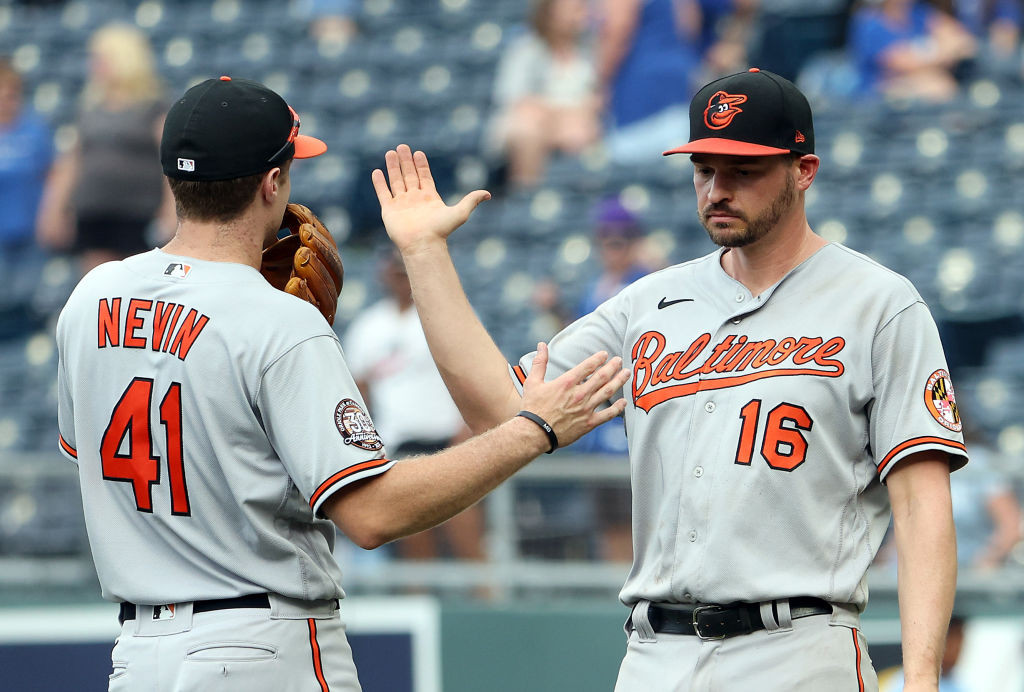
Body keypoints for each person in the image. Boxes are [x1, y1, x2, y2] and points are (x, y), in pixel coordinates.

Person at [373, 68, 968, 691]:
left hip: (797, 647)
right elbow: (500, 411)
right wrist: (425, 256)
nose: (718, 189)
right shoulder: (648, 305)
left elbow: (921, 504)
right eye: (704, 169)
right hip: (656, 654)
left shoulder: (880, 304)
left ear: (804, 170)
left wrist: (921, 676)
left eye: (744, 170)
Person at [55, 76, 629, 691]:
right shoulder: (278, 321)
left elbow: (96, 451)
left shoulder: (91, 297)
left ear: (173, 180)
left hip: (139, 654)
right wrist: (532, 430)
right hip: (261, 648)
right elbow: (372, 515)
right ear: (273, 182)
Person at [342, 250, 485, 565]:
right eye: (395, 272)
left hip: (449, 437)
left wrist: (467, 430)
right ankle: (421, 604)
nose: (400, 278)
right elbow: (357, 393)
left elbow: (478, 376)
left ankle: (486, 604)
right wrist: (374, 445)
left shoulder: (446, 314)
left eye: (405, 272)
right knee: (414, 546)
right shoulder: (369, 326)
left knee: (467, 536)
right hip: (400, 441)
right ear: (385, 275)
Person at [37, 23, 174, 274]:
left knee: (136, 286)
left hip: (138, 214)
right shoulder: (89, 107)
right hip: (93, 213)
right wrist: (53, 210)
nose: (94, 64)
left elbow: (169, 162)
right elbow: (72, 162)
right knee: (96, 288)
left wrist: (169, 212)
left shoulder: (153, 107)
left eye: (101, 58)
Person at [485, 0, 601, 187]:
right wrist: (563, 114)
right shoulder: (525, 50)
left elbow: (596, 100)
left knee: (578, 131)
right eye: (573, 9)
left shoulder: (590, 50)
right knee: (528, 126)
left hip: (573, 126)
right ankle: (525, 197)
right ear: (551, 14)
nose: (581, 15)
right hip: (533, 126)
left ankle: (573, 196)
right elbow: (516, 101)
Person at [597, 0, 701, 164]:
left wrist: (597, 81)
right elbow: (690, 25)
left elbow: (618, 29)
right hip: (679, 83)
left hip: (640, 90)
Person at [848, 0, 977, 102]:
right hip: (875, 99)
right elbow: (905, 64)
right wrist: (943, 53)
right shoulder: (869, 22)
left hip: (919, 91)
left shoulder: (919, 14)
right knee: (936, 86)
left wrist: (930, 56)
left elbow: (963, 41)